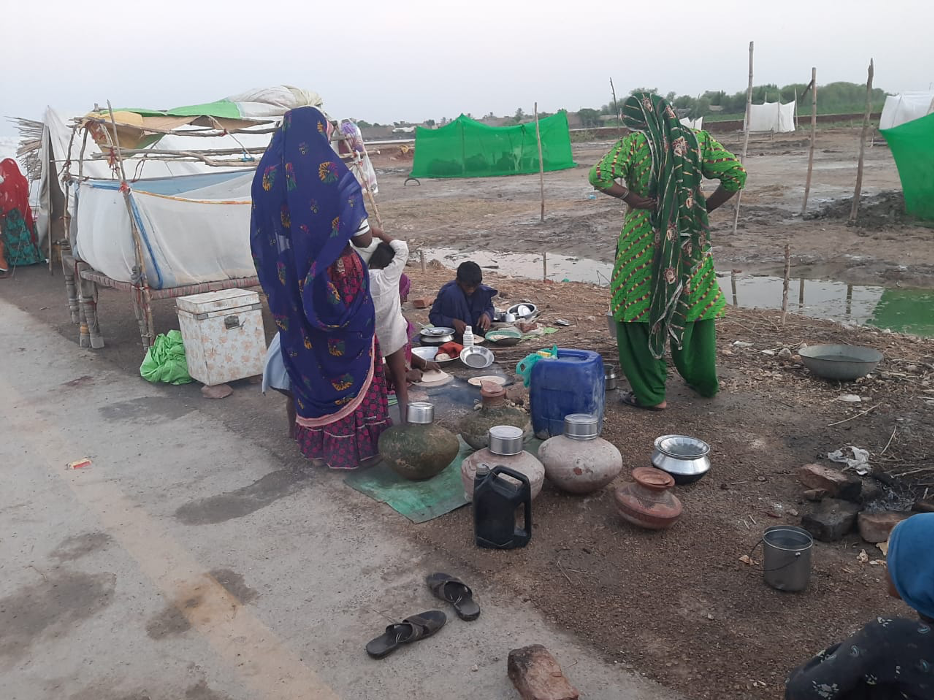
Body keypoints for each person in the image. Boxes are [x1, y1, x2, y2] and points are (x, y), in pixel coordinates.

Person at [251, 106, 391, 469]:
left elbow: (266, 236)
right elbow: (361, 238)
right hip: (338, 282)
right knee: (353, 354)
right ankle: (357, 445)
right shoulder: (333, 175)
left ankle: (314, 443)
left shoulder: (266, 173)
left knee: (307, 355)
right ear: (320, 133)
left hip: (290, 285)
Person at [590, 92, 747, 411]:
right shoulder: (698, 140)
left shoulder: (634, 144)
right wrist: (703, 208)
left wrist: (631, 198)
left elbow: (599, 176)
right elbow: (736, 175)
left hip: (643, 243)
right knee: (694, 306)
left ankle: (651, 394)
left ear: (637, 118)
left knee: (636, 311)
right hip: (690, 240)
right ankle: (703, 381)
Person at [785, 513, 934, 699]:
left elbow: (802, 692)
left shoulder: (892, 638)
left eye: (892, 554)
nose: (886, 563)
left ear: (916, 572)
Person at [358, 229, 413, 421]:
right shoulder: (390, 275)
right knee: (400, 381)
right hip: (393, 336)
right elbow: (402, 248)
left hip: (369, 339)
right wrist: (378, 233)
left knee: (371, 385)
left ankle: (374, 422)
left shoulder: (361, 277)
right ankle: (405, 421)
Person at [0, 158, 44, 276]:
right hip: (22, 212)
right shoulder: (23, 180)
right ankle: (30, 258)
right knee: (25, 236)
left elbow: (4, 199)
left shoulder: (5, 182)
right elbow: (27, 194)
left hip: (10, 214)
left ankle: (15, 260)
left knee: (11, 238)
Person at [429, 261, 497, 336]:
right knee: (454, 294)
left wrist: (487, 314)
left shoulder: (482, 292)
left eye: (475, 286)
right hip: (453, 336)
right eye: (467, 286)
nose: (471, 290)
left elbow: (490, 307)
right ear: (458, 281)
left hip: (477, 335)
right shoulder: (448, 293)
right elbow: (434, 317)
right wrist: (453, 322)